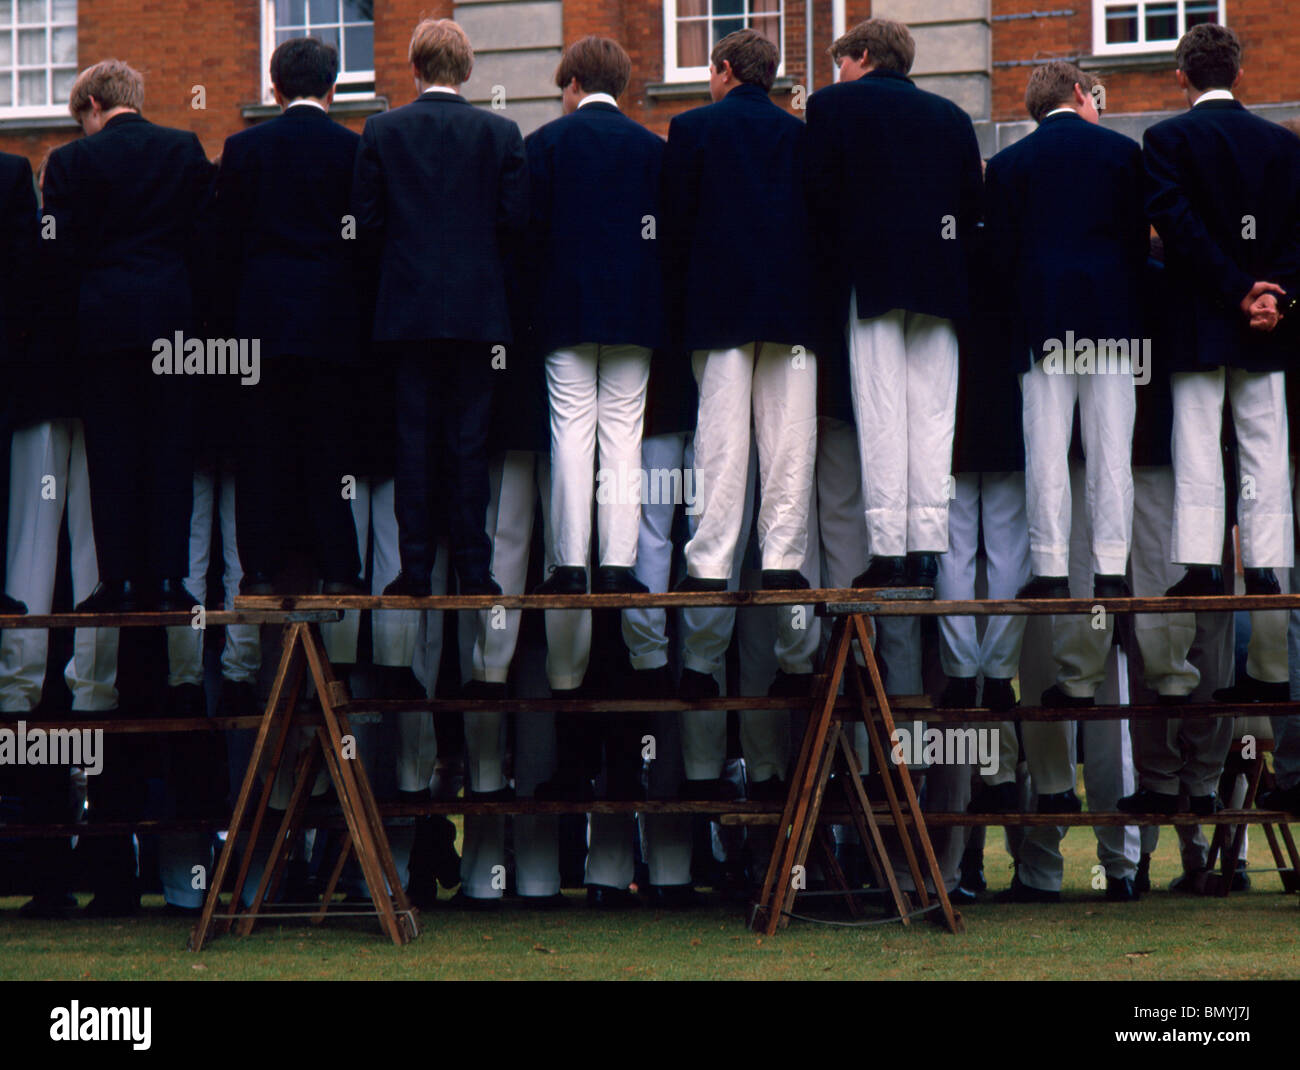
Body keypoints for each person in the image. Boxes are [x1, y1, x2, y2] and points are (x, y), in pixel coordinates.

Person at [1145, 24, 1299, 713]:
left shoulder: (1166, 141)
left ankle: (1204, 562)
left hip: (1202, 316)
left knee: (1198, 445)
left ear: (1182, 75)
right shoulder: (1282, 144)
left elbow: (1178, 226)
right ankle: (1265, 576)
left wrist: (1235, 287)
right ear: (1239, 73)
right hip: (1267, 320)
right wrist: (1274, 294)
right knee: (1266, 452)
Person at [353, 17, 526, 598]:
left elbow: (367, 226)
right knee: (469, 443)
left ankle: (416, 570)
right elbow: (513, 225)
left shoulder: (381, 130)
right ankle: (475, 571)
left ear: (415, 68)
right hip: (478, 313)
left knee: (413, 442)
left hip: (407, 311)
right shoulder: (502, 133)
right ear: (469, 70)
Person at [806, 17, 981, 589]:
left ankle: (888, 550)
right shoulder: (952, 117)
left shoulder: (832, 108)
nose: (840, 73)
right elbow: (970, 203)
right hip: (940, 279)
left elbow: (820, 200)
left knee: (881, 409)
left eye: (843, 62)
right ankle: (927, 543)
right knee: (933, 412)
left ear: (862, 54)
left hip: (871, 275)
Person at [42, 60, 213, 614]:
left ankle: (116, 581)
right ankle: (168, 580)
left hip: (104, 325)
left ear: (93, 104)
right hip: (172, 319)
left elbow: (60, 257)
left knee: (110, 456)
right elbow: (204, 240)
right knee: (171, 452)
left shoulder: (69, 162)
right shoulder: (184, 149)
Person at [663, 28, 819, 597]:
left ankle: (708, 562)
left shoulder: (692, 129)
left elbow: (675, 228)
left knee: (720, 441)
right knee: (789, 441)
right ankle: (781, 560)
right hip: (791, 310)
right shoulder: (799, 134)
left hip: (719, 304)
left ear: (725, 69)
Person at [983, 61, 1146, 602]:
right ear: (1079, 92)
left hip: (1043, 322)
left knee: (1047, 451)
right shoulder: (1123, 153)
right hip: (1111, 321)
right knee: (1110, 452)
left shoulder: (1009, 164)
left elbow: (1000, 259)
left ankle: (1051, 572)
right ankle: (1111, 571)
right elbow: (1135, 247)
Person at [211, 35, 365, 596]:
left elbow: (223, 244)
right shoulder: (353, 150)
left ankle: (258, 571)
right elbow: (364, 243)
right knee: (330, 449)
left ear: (273, 88)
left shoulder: (243, 148)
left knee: (261, 450)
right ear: (333, 86)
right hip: (330, 320)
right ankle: (341, 570)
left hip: (262, 320)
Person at [526, 35, 661, 598]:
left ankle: (570, 565)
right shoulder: (653, 147)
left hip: (566, 310)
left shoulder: (544, 144)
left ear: (575, 83)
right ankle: (617, 564)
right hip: (634, 309)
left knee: (571, 434)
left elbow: (527, 237)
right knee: (624, 436)